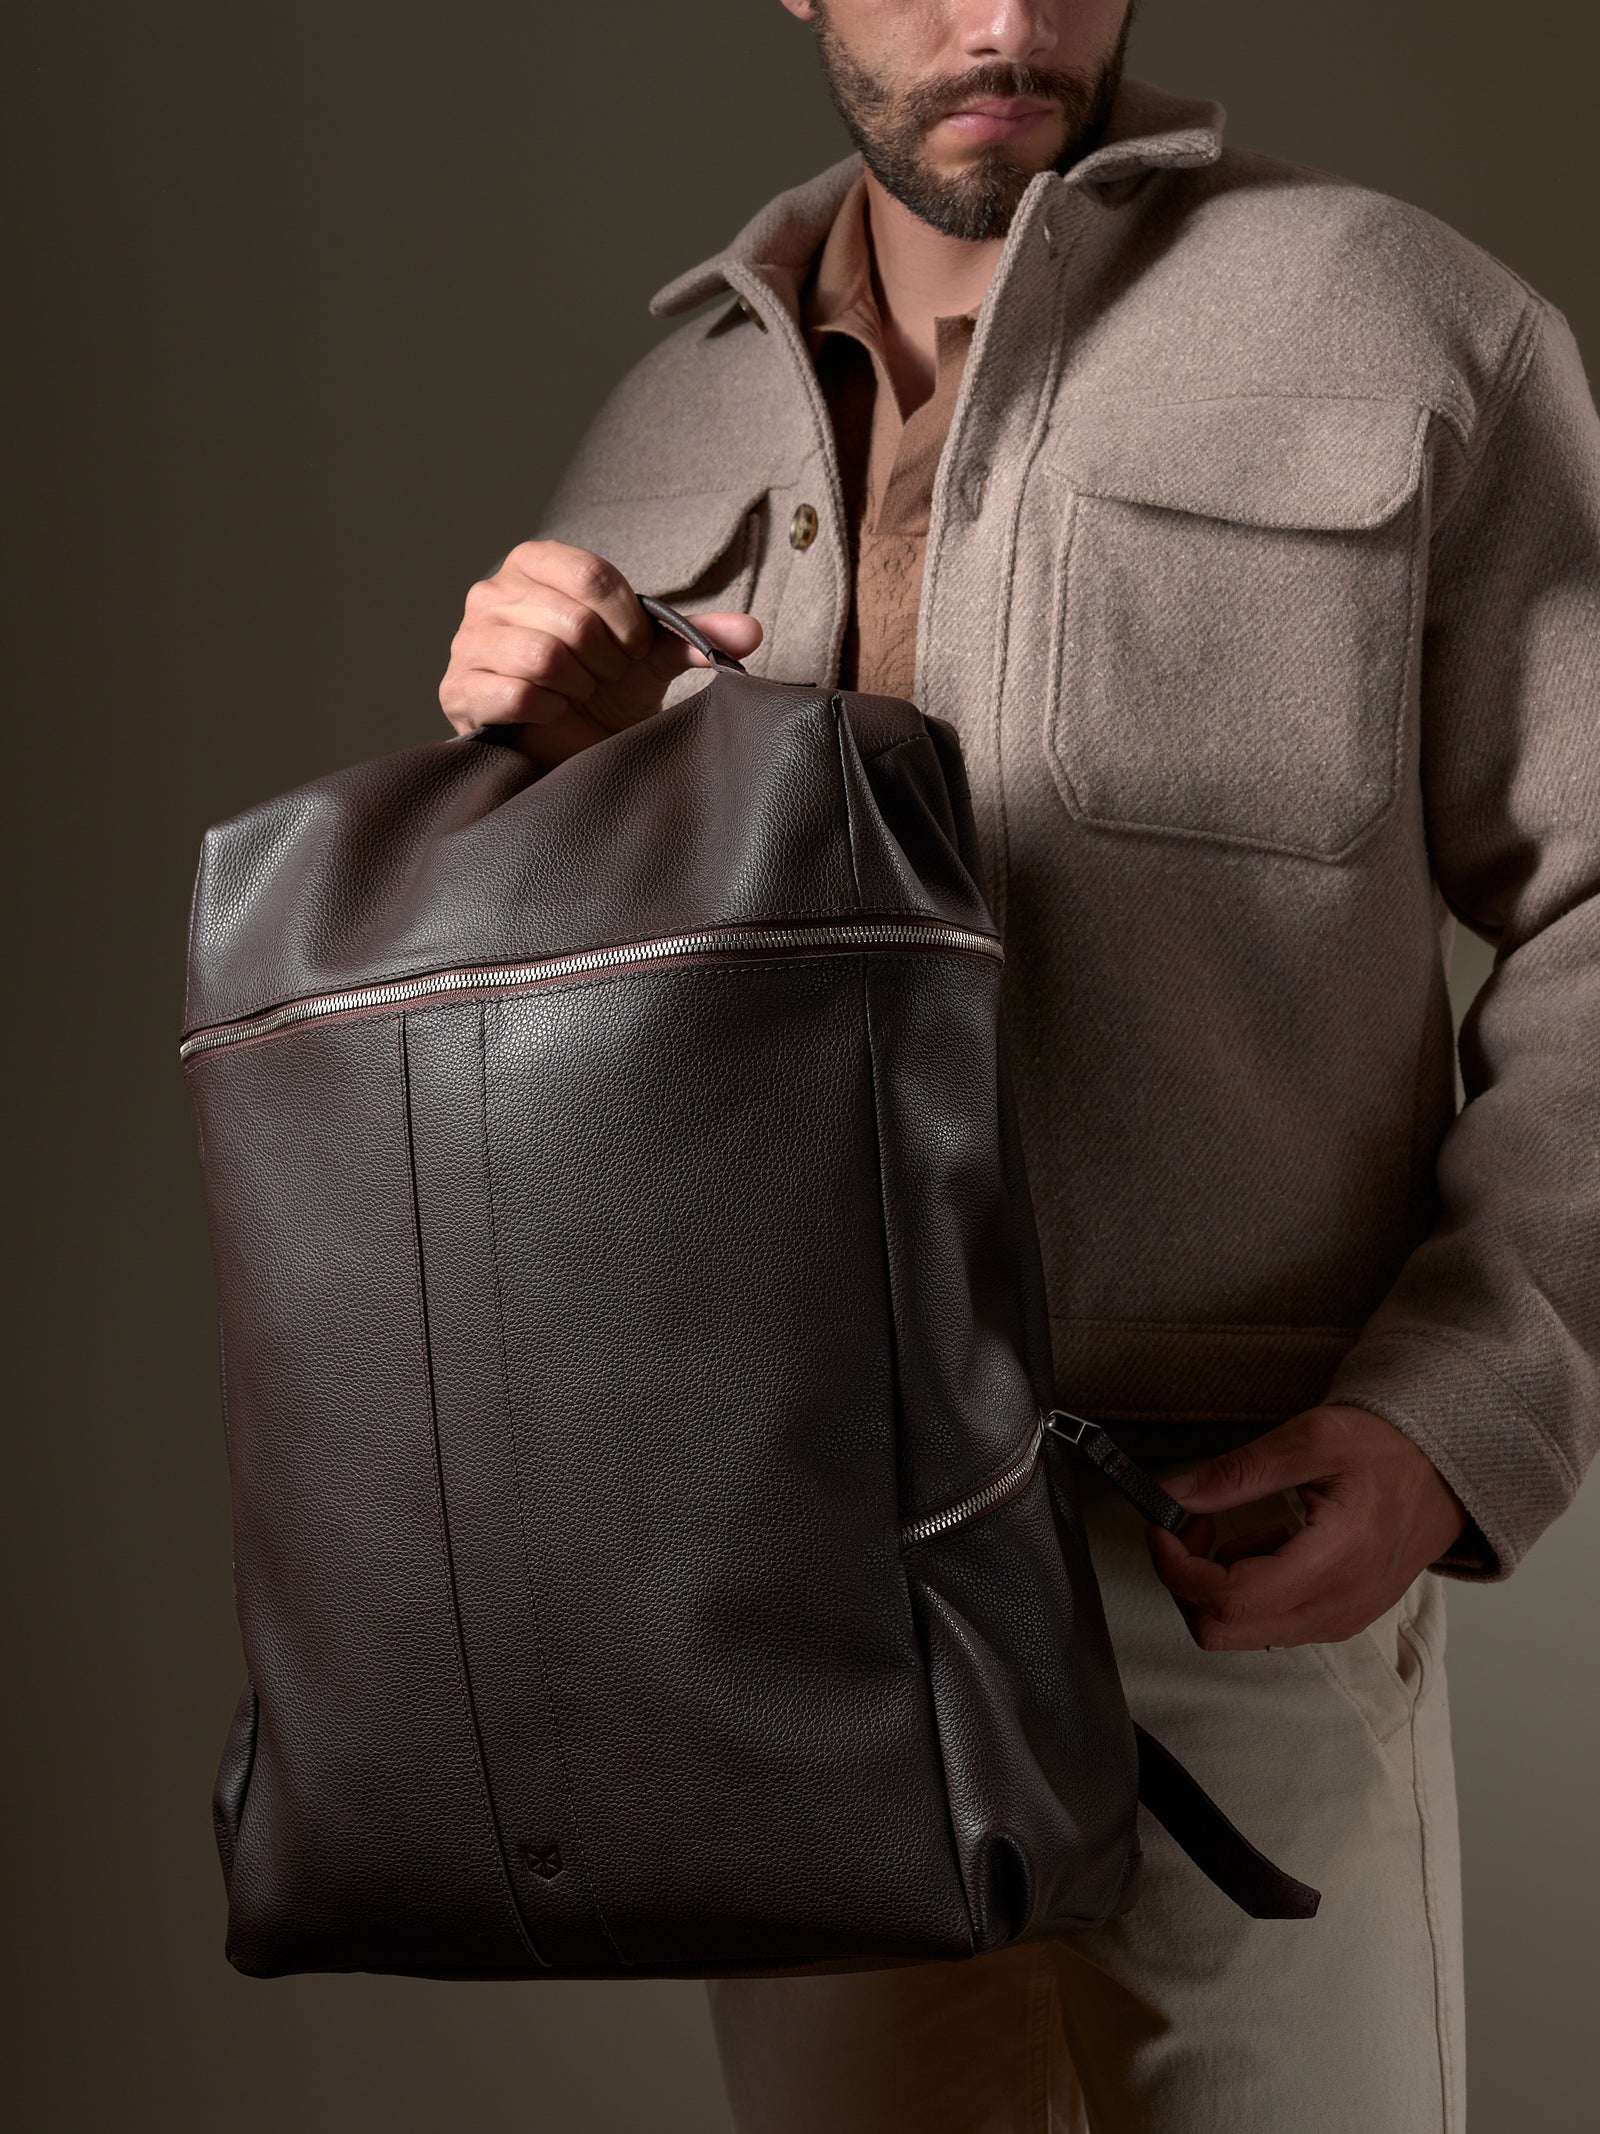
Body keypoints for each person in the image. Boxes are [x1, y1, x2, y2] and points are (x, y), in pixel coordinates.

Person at [438, 4, 1600, 2126]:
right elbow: (575, 1062)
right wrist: (544, 791)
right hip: (792, 1601)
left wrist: (1462, 1412)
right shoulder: (659, 430)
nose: (1003, 17)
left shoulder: (1406, 326)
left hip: (1232, 1565)